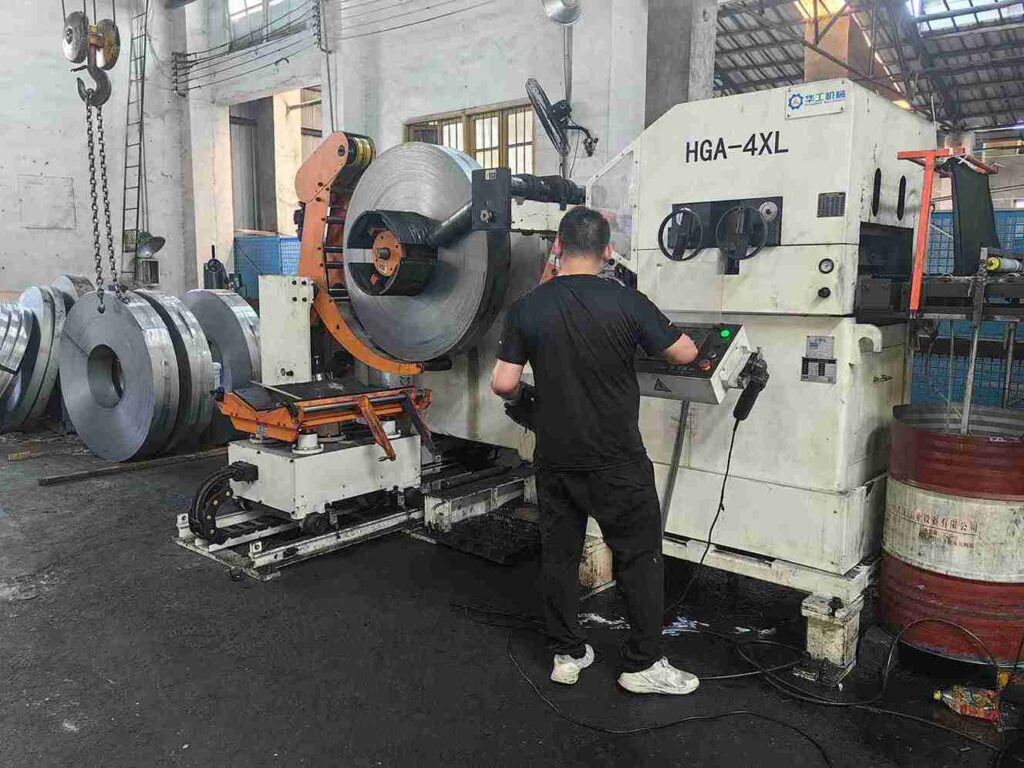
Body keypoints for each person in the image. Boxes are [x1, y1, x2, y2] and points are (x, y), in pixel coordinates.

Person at [490, 206, 701, 695]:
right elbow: (686, 352)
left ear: (557, 248)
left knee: (559, 556)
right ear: (608, 252)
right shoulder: (627, 301)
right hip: (617, 459)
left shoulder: (528, 307)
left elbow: (503, 383)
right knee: (639, 556)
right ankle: (642, 664)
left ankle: (567, 653)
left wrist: (531, 403)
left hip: (556, 457)